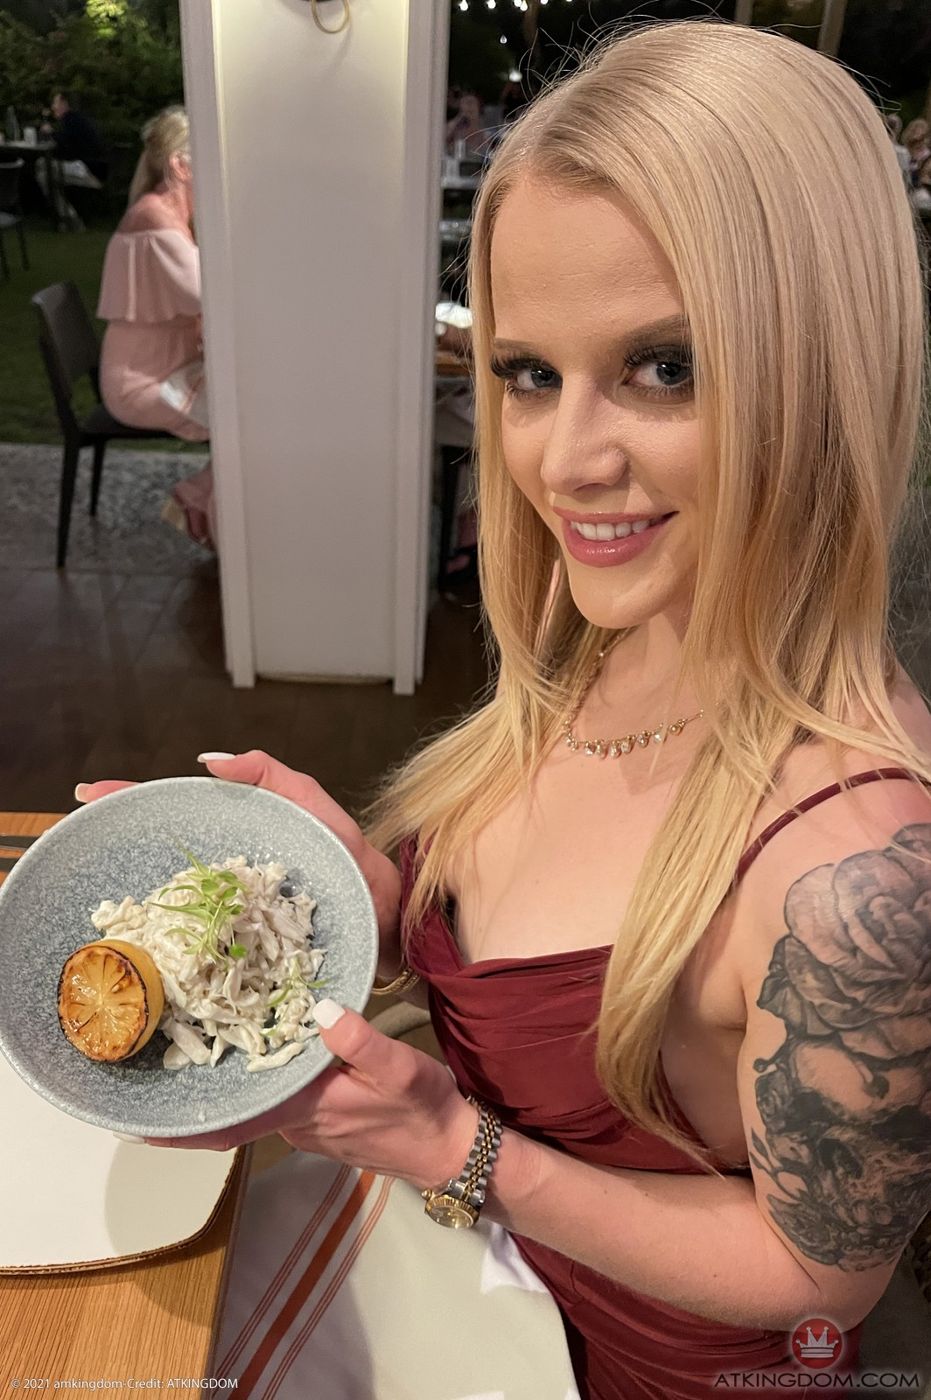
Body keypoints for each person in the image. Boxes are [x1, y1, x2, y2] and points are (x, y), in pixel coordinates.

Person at [77, 20, 931, 1400]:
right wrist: (360, 911)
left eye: (664, 367)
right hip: (460, 1267)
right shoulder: (620, 629)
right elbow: (523, 987)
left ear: (825, 366)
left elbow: (818, 1279)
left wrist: (456, 1150)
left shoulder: (859, 873)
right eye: (528, 372)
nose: (563, 460)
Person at [96, 105, 215, 549]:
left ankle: (216, 509)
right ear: (181, 166)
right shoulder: (155, 222)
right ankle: (203, 504)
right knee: (254, 414)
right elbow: (212, 296)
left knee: (260, 405)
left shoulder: (165, 217)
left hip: (167, 371)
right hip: (145, 384)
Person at [38, 90, 109, 231]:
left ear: (64, 104)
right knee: (43, 170)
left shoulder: (72, 121)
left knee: (43, 171)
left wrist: (51, 133)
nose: (53, 107)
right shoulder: (74, 120)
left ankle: (69, 219)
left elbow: (67, 147)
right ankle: (69, 218)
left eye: (55, 103)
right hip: (89, 168)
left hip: (89, 171)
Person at [446, 91, 488, 157]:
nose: (469, 106)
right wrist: (459, 117)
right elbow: (445, 138)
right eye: (465, 103)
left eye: (471, 102)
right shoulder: (457, 124)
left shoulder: (483, 125)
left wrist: (473, 118)